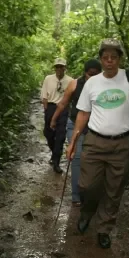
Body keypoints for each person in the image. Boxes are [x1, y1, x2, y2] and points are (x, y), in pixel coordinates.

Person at [66, 39, 129, 248]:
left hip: (122, 144)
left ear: (119, 59)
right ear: (101, 59)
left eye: (114, 57)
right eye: (105, 57)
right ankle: (87, 212)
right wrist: (73, 141)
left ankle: (104, 228)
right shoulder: (92, 82)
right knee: (87, 185)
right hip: (94, 142)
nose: (109, 61)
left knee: (114, 189)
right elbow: (83, 113)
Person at [49, 58, 102, 206]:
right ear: (85, 73)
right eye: (91, 74)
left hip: (96, 127)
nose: (94, 77)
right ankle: (76, 196)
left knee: (93, 161)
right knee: (77, 158)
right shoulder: (75, 84)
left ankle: (91, 192)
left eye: (97, 74)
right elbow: (63, 103)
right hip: (75, 125)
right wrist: (54, 119)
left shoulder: (104, 85)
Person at [40, 58, 74, 173]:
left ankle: (56, 163)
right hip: (50, 106)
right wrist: (46, 110)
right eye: (57, 67)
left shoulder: (70, 80)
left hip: (63, 109)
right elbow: (44, 96)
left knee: (60, 135)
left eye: (61, 66)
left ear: (65, 68)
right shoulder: (48, 79)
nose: (59, 69)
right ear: (55, 68)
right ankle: (54, 153)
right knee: (48, 133)